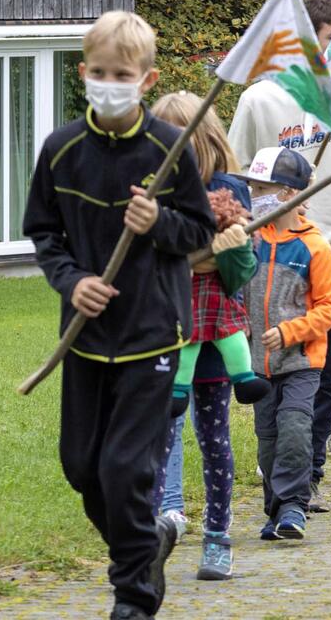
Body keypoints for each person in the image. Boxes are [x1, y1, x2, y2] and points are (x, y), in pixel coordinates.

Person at [22, 11, 215, 620]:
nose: (110, 83)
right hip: (84, 337)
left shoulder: (169, 150)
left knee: (125, 467)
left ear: (147, 79)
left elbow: (199, 233)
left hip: (152, 334)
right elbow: (44, 233)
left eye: (122, 75)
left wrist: (157, 222)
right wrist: (72, 281)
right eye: (99, 73)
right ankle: (147, 544)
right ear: (83, 74)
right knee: (82, 467)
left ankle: (133, 597)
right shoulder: (60, 150)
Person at [228, 0, 331, 512]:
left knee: (324, 374)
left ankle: (308, 475)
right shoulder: (261, 99)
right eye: (326, 44)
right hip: (270, 260)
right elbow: (235, 179)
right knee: (271, 374)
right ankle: (279, 469)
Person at [147, 90, 261, 581]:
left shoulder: (231, 189)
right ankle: (150, 536)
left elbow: (243, 275)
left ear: (206, 138)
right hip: (160, 335)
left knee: (213, 438)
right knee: (157, 438)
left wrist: (230, 251)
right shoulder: (148, 192)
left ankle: (218, 538)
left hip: (216, 335)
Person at [241, 147, 331, 541]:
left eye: (262, 187)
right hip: (258, 363)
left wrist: (290, 332)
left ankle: (295, 507)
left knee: (296, 428)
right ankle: (275, 510)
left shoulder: (315, 246)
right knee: (267, 440)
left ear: (288, 194)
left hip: (301, 361)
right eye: (252, 186)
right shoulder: (249, 239)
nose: (254, 194)